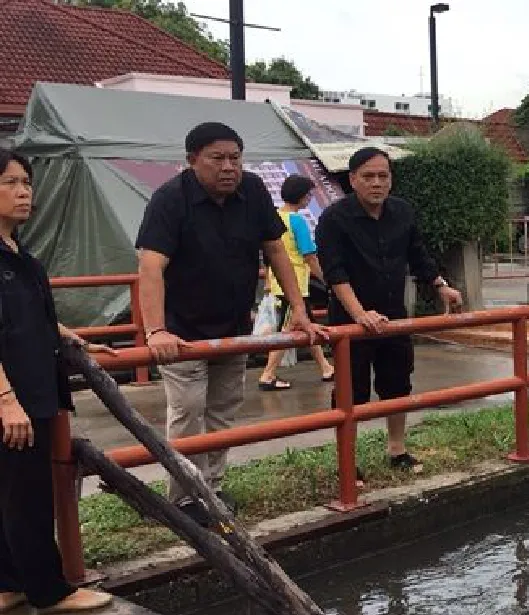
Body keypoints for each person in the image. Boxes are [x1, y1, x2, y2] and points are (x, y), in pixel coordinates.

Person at [136, 123, 326, 526]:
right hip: (181, 331)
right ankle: (186, 496)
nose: (228, 167)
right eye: (217, 158)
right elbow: (151, 267)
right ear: (191, 161)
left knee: (223, 410)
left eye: (235, 158)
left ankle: (213, 487)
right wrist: (155, 330)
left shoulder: (253, 191)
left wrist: (301, 311)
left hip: (232, 326)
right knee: (187, 411)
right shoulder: (170, 200)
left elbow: (275, 249)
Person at [0, 149, 113, 614]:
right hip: (14, 396)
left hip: (35, 388)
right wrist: (5, 399)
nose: (24, 191)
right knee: (26, 494)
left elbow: (26, 318)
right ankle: (49, 590)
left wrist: (71, 337)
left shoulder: (21, 255)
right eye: (9, 182)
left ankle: (9, 581)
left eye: (26, 182)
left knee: (11, 490)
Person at [316, 147, 462, 474]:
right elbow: (334, 272)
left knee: (397, 383)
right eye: (368, 176)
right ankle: (346, 461)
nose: (377, 183)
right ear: (353, 180)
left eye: (383, 176)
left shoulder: (402, 212)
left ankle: (397, 450)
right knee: (351, 391)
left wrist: (440, 285)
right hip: (350, 322)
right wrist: (360, 315)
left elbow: (417, 254)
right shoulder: (334, 219)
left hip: (394, 316)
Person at [257, 174, 336, 390]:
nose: (310, 198)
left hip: (279, 284)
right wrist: (327, 280)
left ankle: (325, 367)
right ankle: (268, 374)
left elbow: (269, 253)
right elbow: (309, 255)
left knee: (306, 325)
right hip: (297, 286)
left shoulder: (275, 217)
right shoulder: (297, 221)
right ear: (301, 196)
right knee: (288, 329)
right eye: (309, 195)